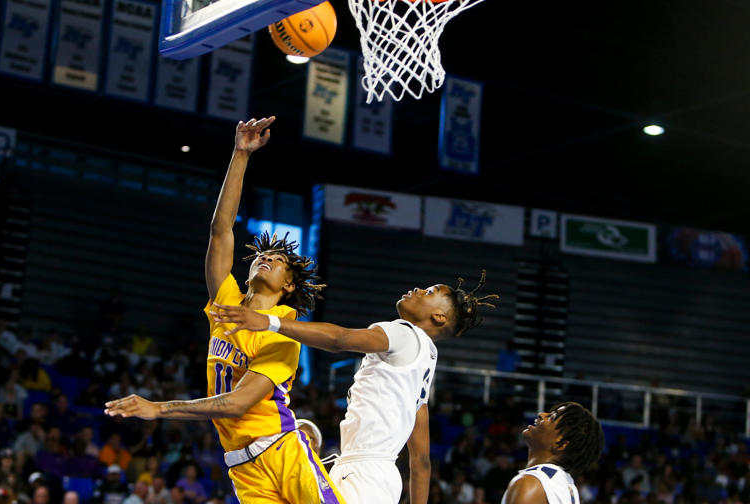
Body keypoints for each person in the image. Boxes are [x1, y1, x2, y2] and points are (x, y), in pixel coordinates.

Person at [104, 117, 345, 504]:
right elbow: (220, 231)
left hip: (281, 451)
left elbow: (237, 403)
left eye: (277, 259)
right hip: (241, 466)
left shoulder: (285, 330)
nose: (266, 257)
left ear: (288, 286)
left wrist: (159, 408)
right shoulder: (226, 303)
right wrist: (240, 155)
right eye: (262, 254)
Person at [212, 271, 498, 504]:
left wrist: (269, 322)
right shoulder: (423, 368)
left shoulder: (405, 333)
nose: (418, 289)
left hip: (362, 473)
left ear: (439, 317)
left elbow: (340, 339)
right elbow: (421, 462)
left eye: (429, 292)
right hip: (380, 479)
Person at [502, 402, 604, 504]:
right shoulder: (567, 486)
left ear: (561, 444)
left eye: (552, 417)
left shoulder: (531, 483)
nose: (541, 414)